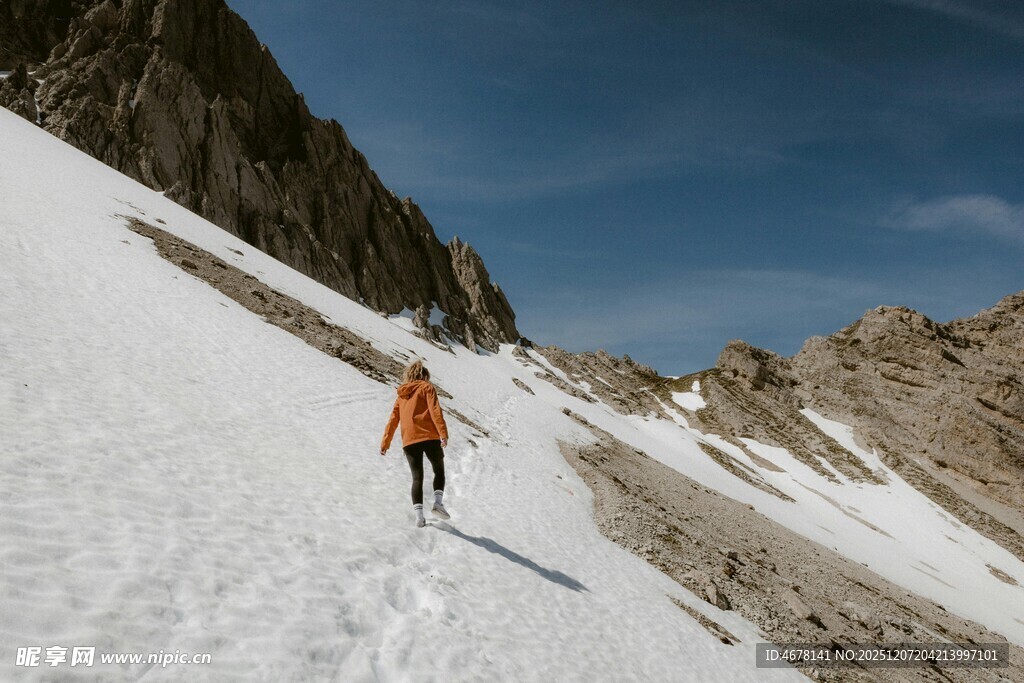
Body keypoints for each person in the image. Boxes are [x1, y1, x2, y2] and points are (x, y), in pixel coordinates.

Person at [380, 360, 450, 527]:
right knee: (438, 469)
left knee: (417, 477)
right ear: (424, 375)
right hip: (430, 436)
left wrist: (385, 443)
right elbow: (435, 411)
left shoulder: (401, 395)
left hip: (409, 441)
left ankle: (419, 517)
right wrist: (443, 433)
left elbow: (393, 420)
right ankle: (438, 504)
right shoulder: (427, 387)